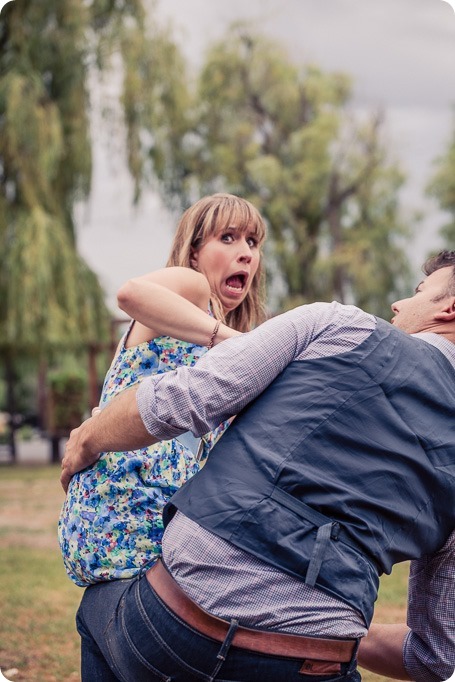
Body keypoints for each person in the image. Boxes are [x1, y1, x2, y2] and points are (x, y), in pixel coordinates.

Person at [61, 250, 455, 682]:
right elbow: (434, 656)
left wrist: (87, 439)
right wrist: (321, 631)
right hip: (320, 666)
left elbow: (181, 400)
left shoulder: (342, 326)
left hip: (180, 627)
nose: (398, 304)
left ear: (449, 309)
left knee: (97, 610)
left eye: (419, 292)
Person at [58, 192, 267, 586]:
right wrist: (233, 340)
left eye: (252, 243)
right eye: (228, 238)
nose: (245, 254)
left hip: (158, 524)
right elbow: (130, 294)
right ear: (193, 254)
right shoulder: (191, 287)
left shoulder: (222, 343)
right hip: (123, 516)